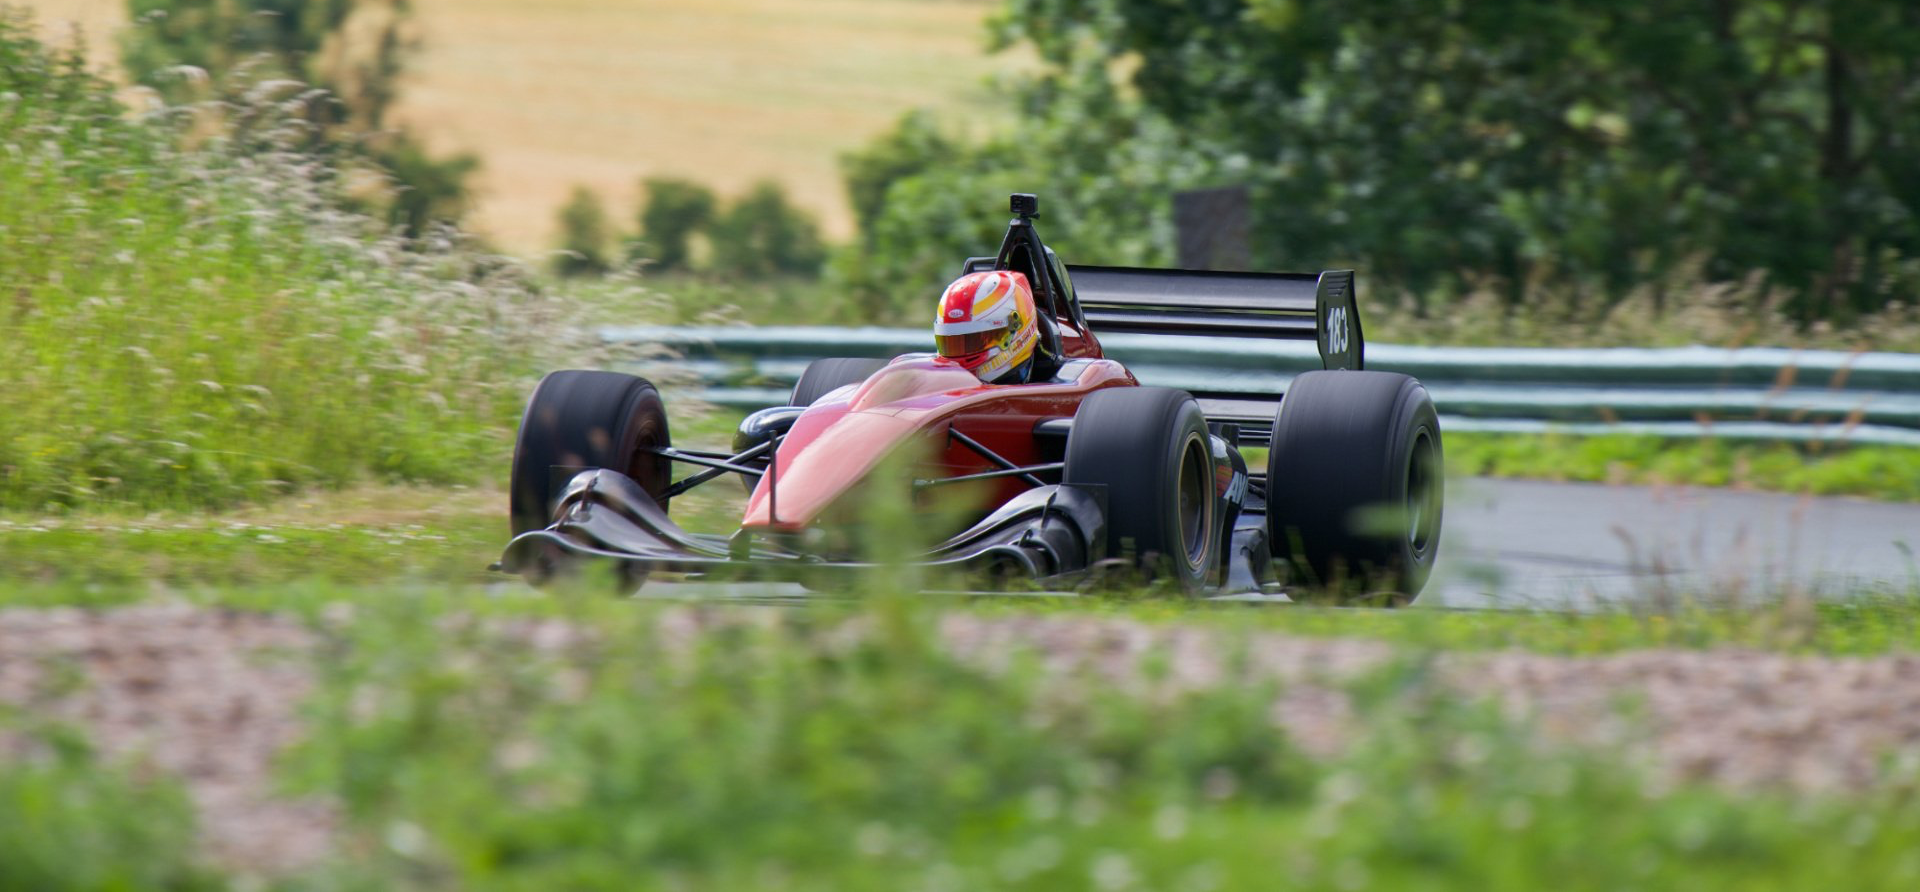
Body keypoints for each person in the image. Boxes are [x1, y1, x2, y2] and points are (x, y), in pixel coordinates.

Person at [933, 270, 1041, 384]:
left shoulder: (1053, 387)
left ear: (1015, 326)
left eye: (975, 340)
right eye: (952, 344)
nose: (959, 357)